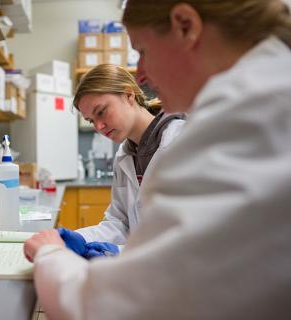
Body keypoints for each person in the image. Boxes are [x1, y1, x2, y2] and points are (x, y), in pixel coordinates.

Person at [24, 1, 291, 319]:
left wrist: (51, 254)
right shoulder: (262, 94)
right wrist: (78, 241)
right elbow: (125, 226)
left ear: (185, 26)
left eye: (143, 51)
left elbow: (119, 306)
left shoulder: (238, 120)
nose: (141, 74)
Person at [57, 64, 186, 258]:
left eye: (101, 112)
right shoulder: (125, 156)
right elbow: (120, 223)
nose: (99, 126)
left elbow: (185, 232)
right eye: (91, 120)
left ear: (128, 95)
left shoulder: (181, 139)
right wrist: (78, 238)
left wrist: (119, 252)